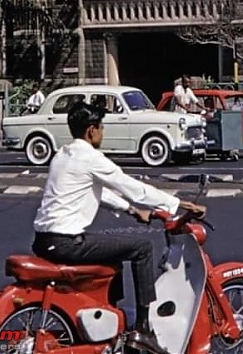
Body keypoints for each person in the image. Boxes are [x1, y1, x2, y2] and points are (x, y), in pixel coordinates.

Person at [32, 102, 205, 354]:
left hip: (45, 240)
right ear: (91, 130)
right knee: (142, 248)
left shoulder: (64, 154)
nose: (103, 132)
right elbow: (130, 186)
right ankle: (144, 329)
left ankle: (110, 318)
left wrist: (132, 210)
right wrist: (177, 203)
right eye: (101, 127)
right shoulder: (90, 158)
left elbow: (95, 192)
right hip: (66, 242)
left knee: (114, 255)